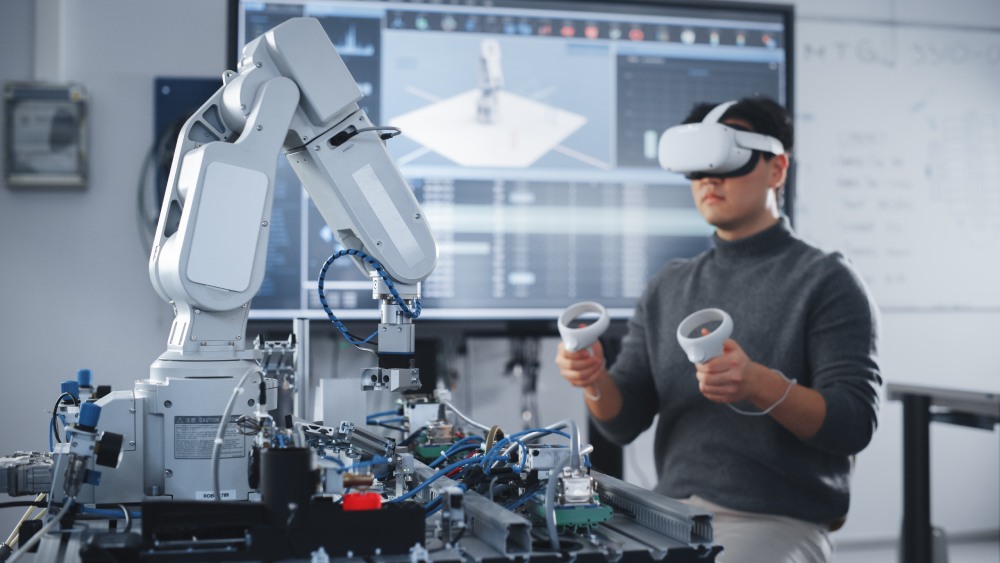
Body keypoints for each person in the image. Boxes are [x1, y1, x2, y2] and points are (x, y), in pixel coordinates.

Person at [555, 97, 881, 563]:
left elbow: (853, 424)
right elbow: (622, 421)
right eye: (697, 165)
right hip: (665, 513)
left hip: (776, 520)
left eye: (727, 159)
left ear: (777, 169)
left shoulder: (826, 281)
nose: (709, 177)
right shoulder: (669, 284)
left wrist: (757, 383)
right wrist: (592, 377)